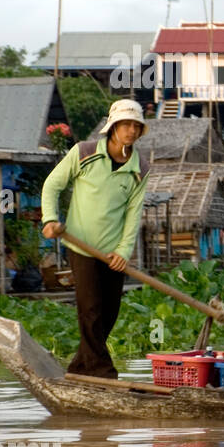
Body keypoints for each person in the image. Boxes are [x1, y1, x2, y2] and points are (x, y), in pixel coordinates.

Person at [40, 99, 150, 378]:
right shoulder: (84, 153)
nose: (131, 131)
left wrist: (123, 252)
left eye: (136, 126)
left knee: (108, 315)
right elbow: (52, 184)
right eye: (126, 124)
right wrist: (50, 219)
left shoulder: (140, 168)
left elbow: (133, 214)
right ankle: (104, 373)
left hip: (113, 253)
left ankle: (78, 371)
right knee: (90, 311)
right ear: (112, 127)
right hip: (81, 246)